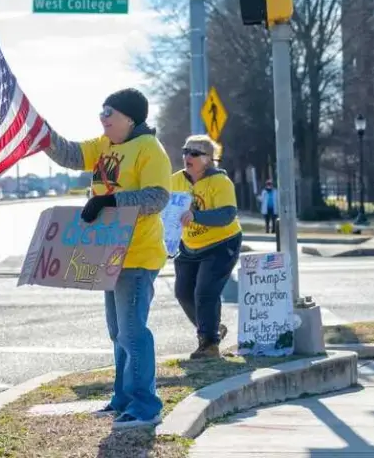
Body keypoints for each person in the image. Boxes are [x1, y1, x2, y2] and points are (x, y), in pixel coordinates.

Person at [43, 87, 172, 430]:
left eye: (108, 113)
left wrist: (109, 202)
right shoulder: (104, 146)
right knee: (118, 332)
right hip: (109, 252)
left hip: (138, 254)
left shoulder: (149, 149)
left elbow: (157, 197)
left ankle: (146, 406)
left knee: (132, 333)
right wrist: (42, 134)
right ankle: (123, 400)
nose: (102, 119)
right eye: (101, 112)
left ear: (129, 118)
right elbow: (70, 154)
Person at [171, 135, 242, 359]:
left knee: (205, 292)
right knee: (183, 292)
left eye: (195, 153)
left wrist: (196, 216)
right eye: (185, 151)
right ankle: (212, 328)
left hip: (222, 243)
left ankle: (209, 344)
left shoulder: (220, 182)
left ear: (209, 159)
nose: (187, 156)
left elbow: (227, 215)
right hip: (190, 246)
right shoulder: (175, 181)